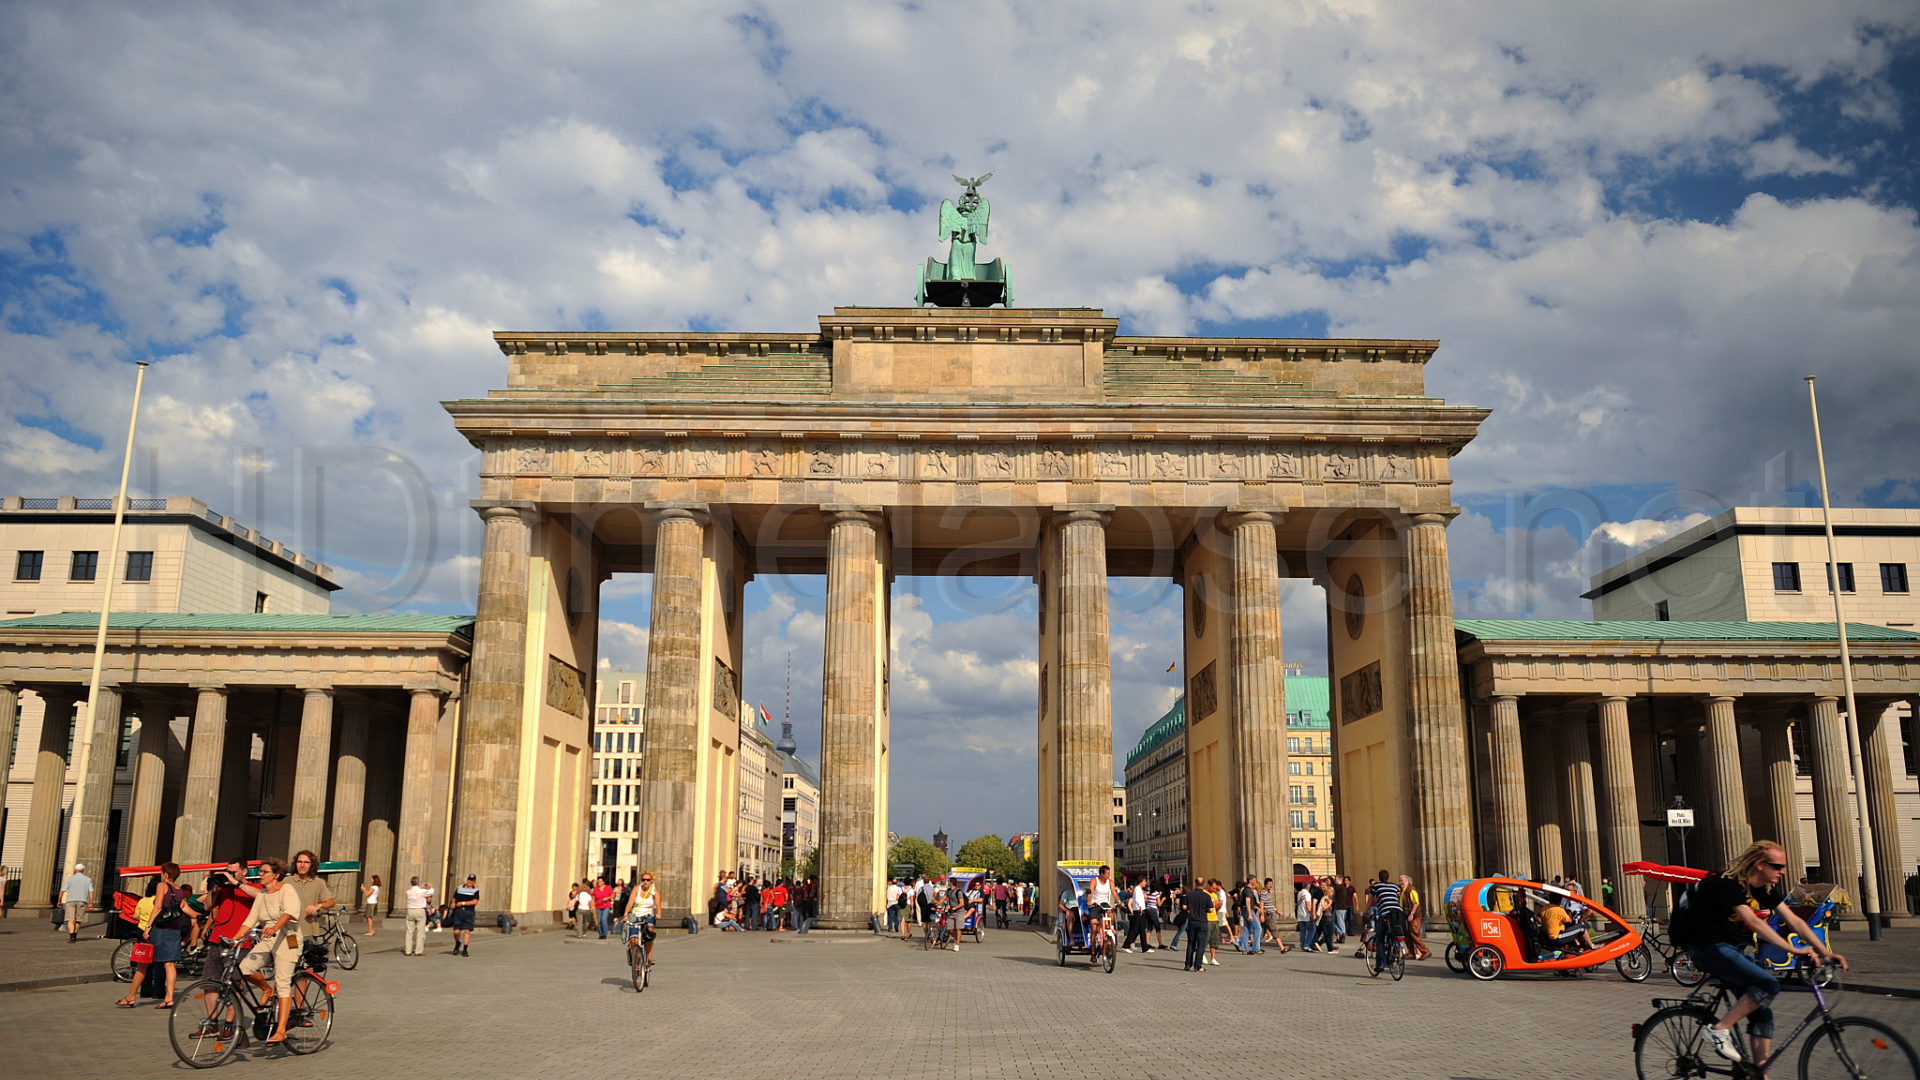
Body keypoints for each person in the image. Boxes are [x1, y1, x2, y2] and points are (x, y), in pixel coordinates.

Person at [1679, 841, 1847, 1066]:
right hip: (1707, 948)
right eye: (1777, 866)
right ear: (1759, 865)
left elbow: (1795, 920)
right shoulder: (1728, 885)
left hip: (1729, 948)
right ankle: (1719, 1030)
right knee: (1769, 984)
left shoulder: (1764, 889)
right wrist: (1795, 949)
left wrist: (1825, 952)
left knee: (1763, 1015)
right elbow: (1753, 923)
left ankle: (1759, 1074)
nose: (1783, 871)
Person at [235, 857, 302, 1046]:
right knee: (245, 967)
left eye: (264, 872)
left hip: (289, 939)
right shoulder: (262, 895)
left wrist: (275, 927)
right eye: (261, 871)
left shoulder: (287, 890)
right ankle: (266, 989)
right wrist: (234, 938)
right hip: (268, 939)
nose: (260, 875)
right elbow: (250, 920)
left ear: (276, 875)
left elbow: (288, 913)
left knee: (283, 982)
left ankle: (281, 1031)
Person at [115, 861, 187, 1008]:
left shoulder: (162, 886)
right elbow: (184, 908)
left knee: (143, 964)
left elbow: (158, 906)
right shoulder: (179, 890)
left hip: (159, 930)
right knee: (170, 964)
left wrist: (148, 926)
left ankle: (131, 997)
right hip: (174, 930)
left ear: (165, 874)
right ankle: (169, 997)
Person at [284, 850, 336, 951]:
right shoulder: (287, 881)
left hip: (310, 932)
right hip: (290, 932)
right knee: (292, 960)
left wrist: (318, 905)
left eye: (306, 862)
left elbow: (331, 902)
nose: (302, 865)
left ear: (312, 865)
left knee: (308, 963)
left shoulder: (318, 882)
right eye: (299, 862)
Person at [1363, 869, 1404, 962]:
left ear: (1379, 878)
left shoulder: (1376, 886)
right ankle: (1399, 950)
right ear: (1389, 878)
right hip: (1397, 912)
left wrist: (1366, 912)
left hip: (1385, 913)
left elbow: (1370, 900)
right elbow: (1397, 896)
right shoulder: (1394, 886)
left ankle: (1380, 964)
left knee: (1380, 938)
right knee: (1396, 931)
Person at [622, 871, 659, 966]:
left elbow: (658, 904)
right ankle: (636, 962)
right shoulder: (636, 889)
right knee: (634, 940)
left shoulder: (654, 891)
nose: (646, 882)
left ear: (651, 881)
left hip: (648, 915)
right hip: (636, 915)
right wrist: (626, 914)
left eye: (648, 880)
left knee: (649, 932)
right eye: (644, 880)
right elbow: (630, 902)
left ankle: (649, 957)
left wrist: (659, 913)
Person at [1181, 879, 1213, 972]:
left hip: (1192, 922)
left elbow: (1184, 907)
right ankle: (1197, 966)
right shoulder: (1206, 896)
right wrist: (1204, 910)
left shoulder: (1189, 894)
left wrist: (1190, 909)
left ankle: (1187, 964)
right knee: (1200, 945)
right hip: (1202, 922)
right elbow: (1211, 909)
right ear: (1204, 884)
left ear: (1195, 884)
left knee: (1191, 943)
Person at [60, 863, 94, 943]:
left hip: (71, 900)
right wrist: (90, 903)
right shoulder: (87, 879)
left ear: (75, 870)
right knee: (78, 920)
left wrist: (59, 901)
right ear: (83, 870)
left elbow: (62, 890)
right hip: (82, 900)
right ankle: (75, 934)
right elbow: (91, 891)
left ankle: (71, 936)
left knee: (70, 919)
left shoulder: (70, 879)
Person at [1400, 875, 1431, 960]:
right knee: (1407, 934)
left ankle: (1425, 951)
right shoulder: (1404, 890)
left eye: (1401, 881)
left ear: (1407, 881)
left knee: (1414, 934)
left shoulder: (1411, 890)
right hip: (1406, 914)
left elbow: (1416, 903)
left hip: (1414, 916)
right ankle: (1411, 953)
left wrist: (1412, 913)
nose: (1400, 882)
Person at [449, 874, 479, 955]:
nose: (470, 881)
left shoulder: (475, 890)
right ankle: (457, 943)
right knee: (456, 931)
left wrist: (462, 903)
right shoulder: (459, 888)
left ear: (474, 882)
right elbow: (454, 897)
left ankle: (465, 949)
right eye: (469, 880)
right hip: (458, 912)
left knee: (467, 930)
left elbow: (474, 901)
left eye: (472, 880)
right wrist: (453, 903)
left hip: (468, 912)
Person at [404, 876, 433, 956]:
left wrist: (420, 887)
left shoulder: (408, 892)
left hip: (410, 910)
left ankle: (408, 951)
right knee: (420, 932)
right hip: (420, 910)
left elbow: (415, 892)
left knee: (409, 931)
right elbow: (431, 892)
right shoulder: (422, 891)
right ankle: (418, 951)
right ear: (418, 882)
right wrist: (431, 887)